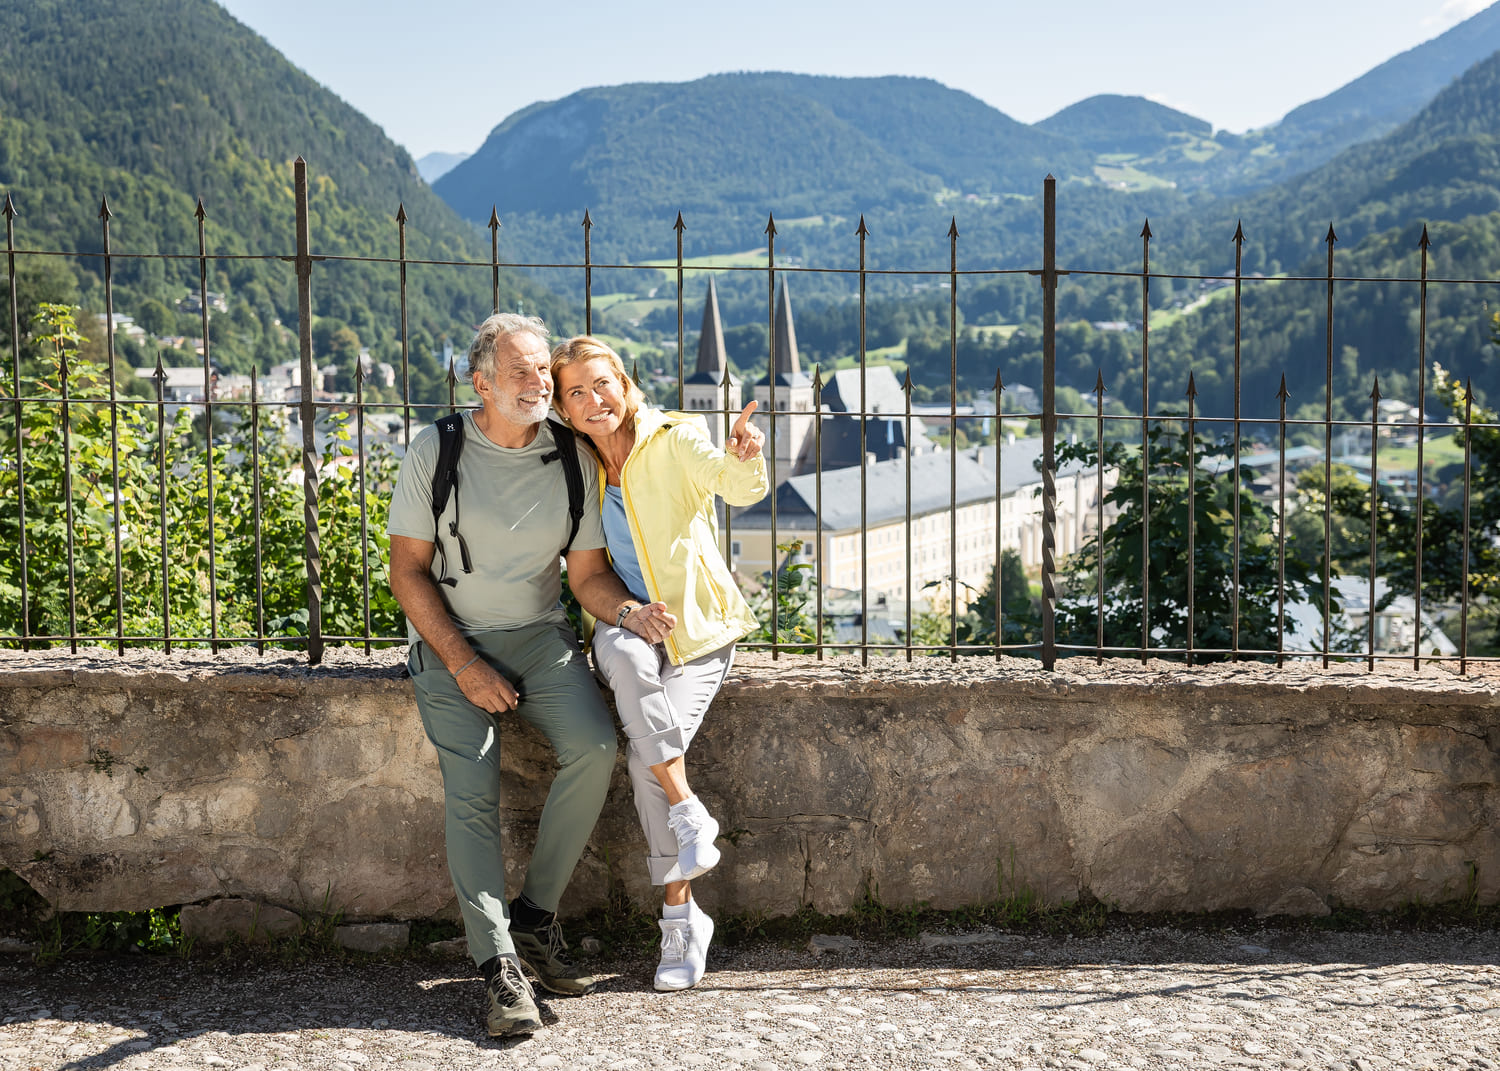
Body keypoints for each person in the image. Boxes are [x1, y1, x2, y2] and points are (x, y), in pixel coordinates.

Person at [388, 314, 675, 1037]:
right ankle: (500, 968)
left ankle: (535, 916)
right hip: (453, 640)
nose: (537, 383)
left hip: (541, 637)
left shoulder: (568, 457)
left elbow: (586, 575)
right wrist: (462, 661)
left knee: (596, 747)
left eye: (541, 371)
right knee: (474, 787)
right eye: (519, 371)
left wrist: (630, 611)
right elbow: (407, 572)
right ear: (480, 382)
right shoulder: (440, 448)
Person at [550, 335, 768, 991]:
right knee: (623, 658)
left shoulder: (674, 437)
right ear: (563, 407)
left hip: (696, 631)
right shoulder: (578, 469)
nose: (594, 401)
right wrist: (627, 614)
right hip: (626, 624)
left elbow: (734, 486)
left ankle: (680, 918)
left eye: (602, 383)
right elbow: (586, 577)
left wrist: (744, 457)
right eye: (576, 393)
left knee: (651, 758)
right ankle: (689, 813)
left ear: (624, 381)